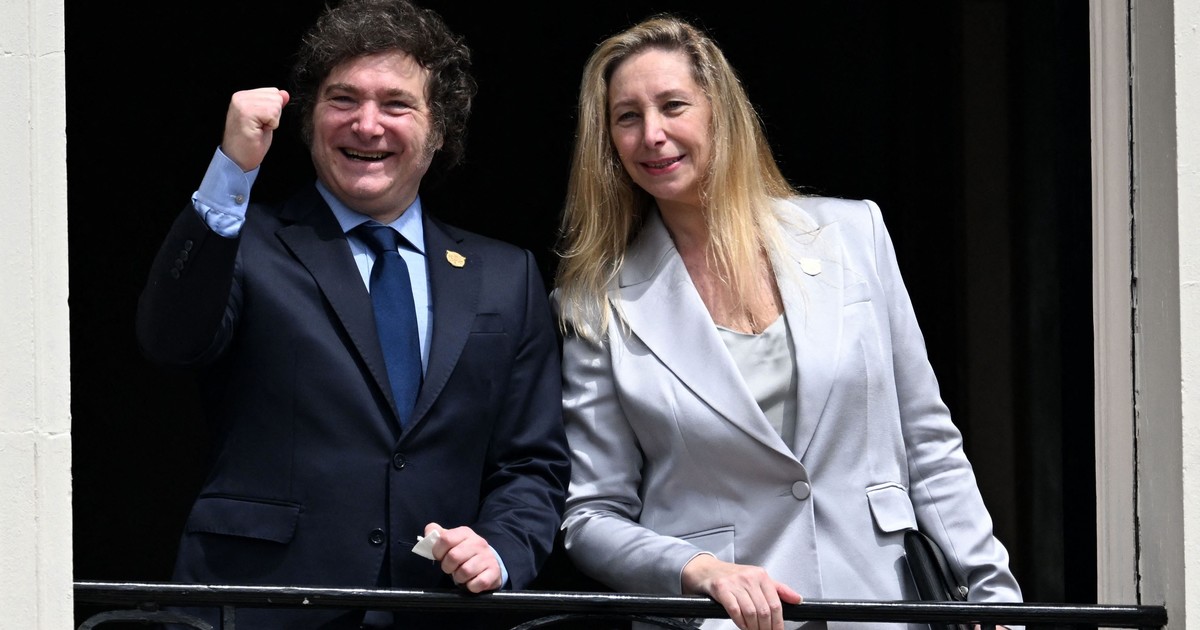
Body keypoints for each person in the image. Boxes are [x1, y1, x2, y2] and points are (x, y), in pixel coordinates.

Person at [553, 15, 1023, 630]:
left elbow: (928, 444)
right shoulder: (596, 302)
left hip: (879, 606)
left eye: (673, 106)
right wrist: (698, 569)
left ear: (720, 112)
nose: (653, 134)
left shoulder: (853, 236)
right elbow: (591, 516)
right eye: (627, 117)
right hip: (723, 621)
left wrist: (994, 599)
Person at [135, 0, 570, 627]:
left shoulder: (507, 276)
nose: (367, 125)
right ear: (310, 118)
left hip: (435, 609)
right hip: (263, 606)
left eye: (396, 104)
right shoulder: (244, 241)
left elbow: (532, 464)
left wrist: (500, 550)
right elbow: (171, 340)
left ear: (440, 129)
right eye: (343, 100)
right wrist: (232, 170)